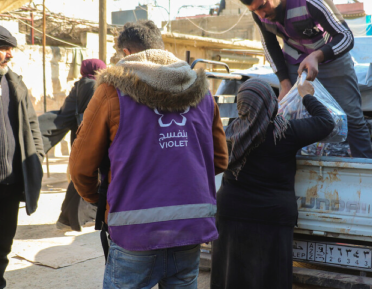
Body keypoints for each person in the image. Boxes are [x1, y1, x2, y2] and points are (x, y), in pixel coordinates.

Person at [69, 20, 228, 289]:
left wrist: (103, 199)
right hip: (190, 230)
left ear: (127, 53)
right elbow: (220, 159)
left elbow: (80, 166)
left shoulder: (111, 91)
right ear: (160, 48)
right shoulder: (203, 94)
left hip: (133, 231)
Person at [210, 78, 334, 289]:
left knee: (231, 275)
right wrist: (306, 96)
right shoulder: (284, 132)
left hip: (231, 214)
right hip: (272, 218)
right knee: (270, 278)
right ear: (270, 104)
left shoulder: (230, 131)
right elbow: (326, 122)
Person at [238, 0, 372, 158]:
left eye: (263, 6)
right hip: (297, 62)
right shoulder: (259, 13)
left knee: (352, 117)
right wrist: (284, 82)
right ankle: (295, 169)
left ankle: (367, 170)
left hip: (331, 57)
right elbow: (270, 46)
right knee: (293, 118)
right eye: (255, 11)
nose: (261, 14)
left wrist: (317, 56)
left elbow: (346, 37)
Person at [0, 26, 44, 289]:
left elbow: (32, 126)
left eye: (11, 49)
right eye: (4, 49)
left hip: (9, 185)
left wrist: (36, 157)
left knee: (3, 245)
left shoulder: (14, 84)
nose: (9, 55)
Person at [39, 58, 106, 231]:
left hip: (79, 136)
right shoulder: (93, 86)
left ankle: (67, 219)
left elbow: (68, 113)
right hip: (90, 138)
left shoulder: (79, 85)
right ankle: (75, 219)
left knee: (80, 177)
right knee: (88, 177)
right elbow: (94, 115)